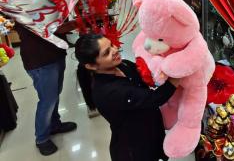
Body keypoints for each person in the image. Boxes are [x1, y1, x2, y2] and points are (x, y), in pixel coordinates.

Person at [75, 33, 179, 161]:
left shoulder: (123, 65)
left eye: (112, 45)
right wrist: (177, 77)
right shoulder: (108, 92)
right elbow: (154, 98)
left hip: (149, 127)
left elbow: (147, 74)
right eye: (107, 52)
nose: (115, 50)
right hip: (135, 145)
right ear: (91, 66)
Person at [15, 22, 78, 156]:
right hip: (40, 59)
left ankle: (54, 124)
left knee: (54, 94)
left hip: (55, 53)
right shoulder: (23, 5)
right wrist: (82, 21)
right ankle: (41, 139)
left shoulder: (43, 1)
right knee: (47, 100)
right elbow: (52, 27)